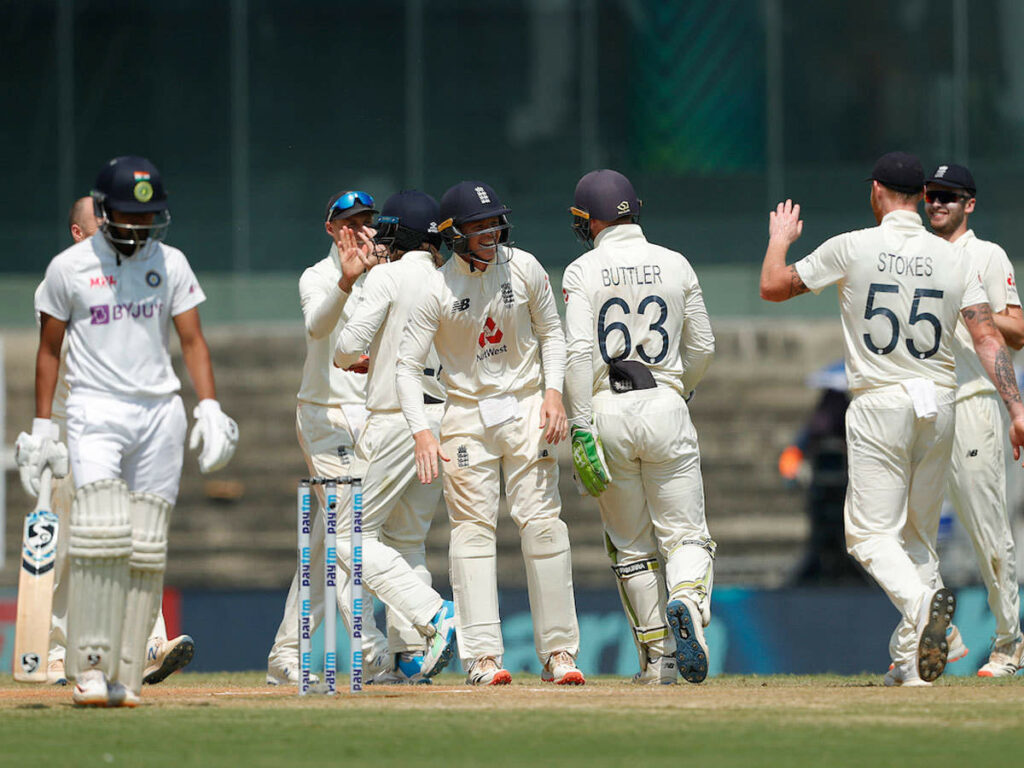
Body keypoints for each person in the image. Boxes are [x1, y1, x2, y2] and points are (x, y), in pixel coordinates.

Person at [759, 150, 1024, 687]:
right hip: (942, 403)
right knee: (918, 539)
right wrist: (1017, 406)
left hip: (883, 400)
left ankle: (934, 616)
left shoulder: (855, 245)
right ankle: (912, 666)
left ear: (878, 191)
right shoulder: (953, 260)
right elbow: (987, 336)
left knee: (866, 535)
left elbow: (772, 285)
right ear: (919, 198)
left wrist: (781, 240)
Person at [16, 155, 239, 707]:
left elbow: (192, 341)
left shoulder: (172, 262)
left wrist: (208, 406)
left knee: (144, 543)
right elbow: (47, 351)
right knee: (99, 533)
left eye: (149, 217)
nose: (139, 228)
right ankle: (88, 669)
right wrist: (43, 428)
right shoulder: (69, 267)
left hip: (158, 411)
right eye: (128, 216)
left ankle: (127, 671)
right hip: (93, 410)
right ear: (104, 211)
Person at [395, 180, 583, 685]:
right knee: (473, 534)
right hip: (465, 416)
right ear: (454, 234)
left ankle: (560, 653)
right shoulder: (435, 288)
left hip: (525, 407)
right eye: (479, 226)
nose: (492, 232)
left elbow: (553, 333)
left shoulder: (524, 267)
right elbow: (405, 367)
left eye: (495, 221)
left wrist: (553, 393)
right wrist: (421, 433)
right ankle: (481, 658)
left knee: (544, 525)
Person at [562, 169, 716, 684]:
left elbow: (580, 353)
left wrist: (580, 426)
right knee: (685, 534)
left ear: (590, 220)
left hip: (607, 408)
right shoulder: (677, 263)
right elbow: (704, 347)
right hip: (665, 404)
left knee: (630, 546)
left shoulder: (582, 270)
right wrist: (679, 389)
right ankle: (688, 598)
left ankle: (659, 659)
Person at [41, 198, 196, 687]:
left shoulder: (133, 276)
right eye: (101, 227)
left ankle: (147, 644)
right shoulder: (67, 279)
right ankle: (51, 652)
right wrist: (45, 431)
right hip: (75, 433)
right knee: (71, 547)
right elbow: (52, 355)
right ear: (77, 232)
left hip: (121, 432)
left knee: (134, 535)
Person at [265, 190, 390, 685]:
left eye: (366, 221)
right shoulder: (317, 277)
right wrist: (347, 278)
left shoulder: (384, 276)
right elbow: (318, 329)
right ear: (331, 229)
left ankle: (285, 654)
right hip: (324, 416)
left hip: (371, 417)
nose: (359, 229)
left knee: (326, 545)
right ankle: (371, 646)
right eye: (348, 222)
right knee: (351, 530)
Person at [332, 190, 458, 683]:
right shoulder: (450, 281)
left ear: (400, 237)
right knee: (407, 542)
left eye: (387, 236)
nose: (380, 246)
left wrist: (357, 358)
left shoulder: (385, 276)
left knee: (347, 539)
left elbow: (345, 348)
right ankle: (411, 660)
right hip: (439, 422)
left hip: (393, 422)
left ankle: (432, 616)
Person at [924, 162, 1024, 677]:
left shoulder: (985, 255)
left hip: (971, 400)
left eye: (949, 196)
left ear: (970, 203)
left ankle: (1009, 644)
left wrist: (976, 306)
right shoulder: (915, 254)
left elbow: (1019, 330)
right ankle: (930, 634)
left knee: (988, 530)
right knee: (897, 526)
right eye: (932, 195)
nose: (938, 203)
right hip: (919, 403)